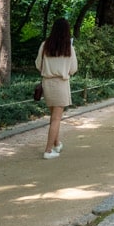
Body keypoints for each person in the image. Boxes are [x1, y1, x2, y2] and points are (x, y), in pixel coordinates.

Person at [36, 17, 78, 158]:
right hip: (61, 84)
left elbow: (38, 64)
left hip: (47, 83)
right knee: (56, 118)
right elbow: (73, 69)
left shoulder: (45, 45)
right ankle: (48, 150)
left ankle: (57, 143)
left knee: (54, 117)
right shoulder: (69, 48)